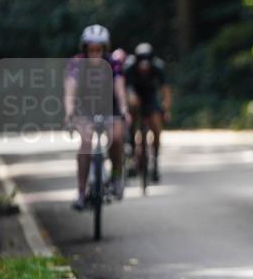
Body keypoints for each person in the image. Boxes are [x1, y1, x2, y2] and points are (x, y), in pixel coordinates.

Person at [64, 24, 129, 210]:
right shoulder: (77, 63)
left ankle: (117, 176)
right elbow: (70, 90)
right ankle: (81, 193)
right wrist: (69, 112)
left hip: (110, 106)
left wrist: (124, 109)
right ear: (85, 49)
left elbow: (119, 88)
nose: (94, 53)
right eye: (90, 49)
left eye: (98, 49)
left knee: (116, 138)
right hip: (85, 108)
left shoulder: (113, 63)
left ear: (104, 49)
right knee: (85, 142)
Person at [124, 42, 172, 182]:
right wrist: (130, 99)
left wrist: (166, 109)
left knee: (156, 127)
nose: (144, 67)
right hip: (134, 96)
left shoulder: (158, 67)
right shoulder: (129, 67)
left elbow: (166, 90)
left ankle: (155, 160)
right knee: (130, 122)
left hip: (151, 97)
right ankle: (132, 155)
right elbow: (125, 88)